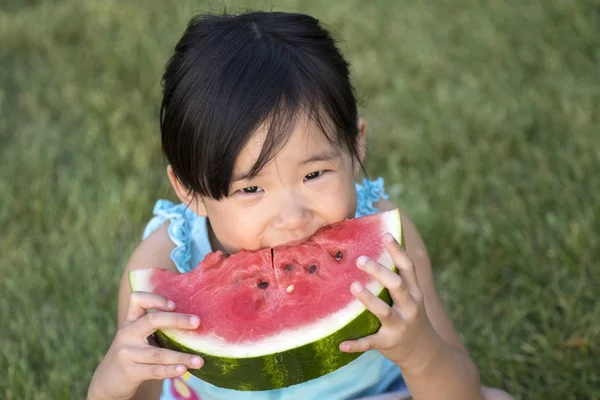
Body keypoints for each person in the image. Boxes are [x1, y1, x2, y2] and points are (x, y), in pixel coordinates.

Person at [88, 11, 514, 400]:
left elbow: (464, 393)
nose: (292, 218)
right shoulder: (161, 267)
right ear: (190, 191)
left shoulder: (393, 245)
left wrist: (421, 353)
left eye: (314, 175)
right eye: (251, 189)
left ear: (355, 145)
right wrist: (114, 380)